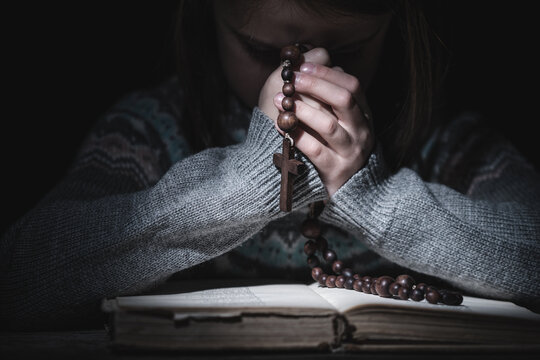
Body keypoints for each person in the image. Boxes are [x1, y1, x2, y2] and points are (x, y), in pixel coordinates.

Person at [1, 0, 539, 331]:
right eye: (263, 51)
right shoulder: (149, 132)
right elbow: (19, 281)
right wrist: (244, 180)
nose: (307, 79)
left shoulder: (445, 141)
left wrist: (374, 197)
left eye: (348, 49)